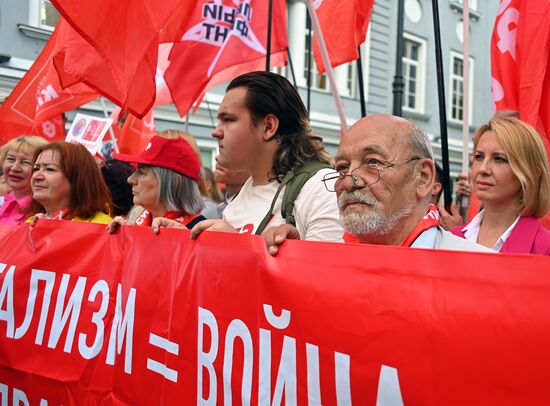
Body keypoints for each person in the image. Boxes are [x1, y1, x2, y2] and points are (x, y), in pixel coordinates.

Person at [152, 71, 343, 241]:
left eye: (228, 120)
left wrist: (240, 248)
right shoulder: (243, 194)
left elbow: (324, 278)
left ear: (268, 127)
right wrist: (185, 241)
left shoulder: (323, 189)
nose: (216, 132)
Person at [265, 114, 491, 255]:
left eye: (373, 162)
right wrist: (297, 260)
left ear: (422, 178)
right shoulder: (327, 261)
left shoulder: (479, 273)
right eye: (342, 167)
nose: (350, 181)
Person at [450, 117, 550, 255]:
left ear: (531, 173)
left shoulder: (544, 248)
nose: (483, 169)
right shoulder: (451, 240)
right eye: (479, 157)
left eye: (499, 159)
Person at [107, 135, 206, 232]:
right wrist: (125, 238)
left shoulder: (202, 232)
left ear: (175, 183)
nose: (130, 179)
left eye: (142, 172)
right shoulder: (136, 217)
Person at [26, 142, 113, 224]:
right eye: (36, 169)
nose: (36, 176)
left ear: (78, 178)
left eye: (49, 169)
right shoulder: (31, 224)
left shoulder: (102, 227)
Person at [0, 136, 49, 225]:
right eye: (11, 159)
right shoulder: (5, 202)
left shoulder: (43, 213)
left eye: (25, 162)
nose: (15, 167)